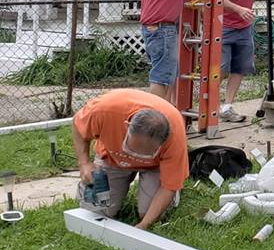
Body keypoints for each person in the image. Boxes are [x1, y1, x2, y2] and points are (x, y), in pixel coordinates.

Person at [72, 88, 188, 231]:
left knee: (147, 213)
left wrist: (143, 225)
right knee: (96, 212)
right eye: (134, 147)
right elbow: (78, 125)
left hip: (154, 167)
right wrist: (84, 163)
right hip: (112, 158)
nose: (137, 155)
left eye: (146, 151)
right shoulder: (105, 110)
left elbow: (168, 188)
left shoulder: (175, 135)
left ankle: (175, 193)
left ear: (163, 142)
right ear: (127, 127)